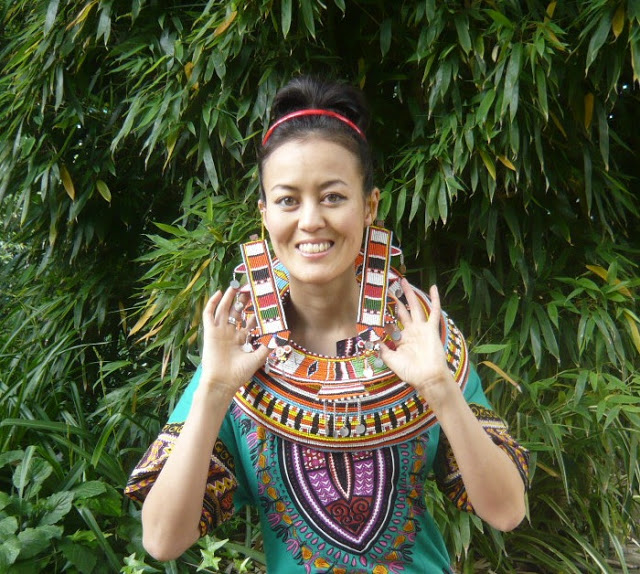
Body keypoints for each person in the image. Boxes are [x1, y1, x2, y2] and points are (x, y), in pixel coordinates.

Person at [125, 76, 529, 573]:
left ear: (370, 205)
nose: (311, 220)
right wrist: (214, 390)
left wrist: (438, 387)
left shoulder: (420, 333)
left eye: (333, 197)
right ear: (264, 214)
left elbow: (507, 511)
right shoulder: (238, 348)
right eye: (288, 200)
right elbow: (162, 540)